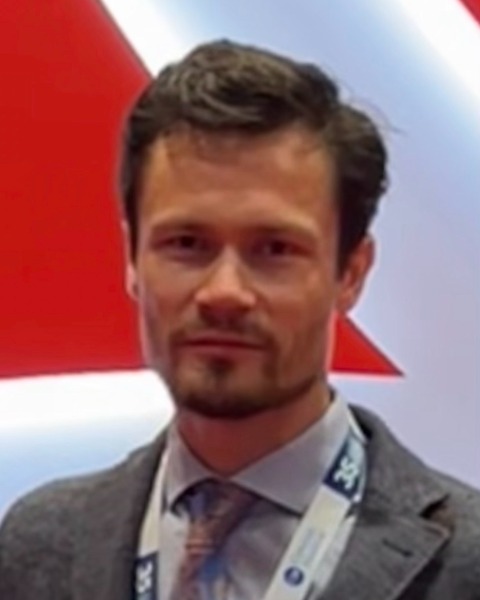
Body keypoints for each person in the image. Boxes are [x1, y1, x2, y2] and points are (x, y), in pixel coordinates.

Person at [0, 39, 479, 600]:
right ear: (133, 259)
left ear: (351, 272)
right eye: (186, 243)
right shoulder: (39, 546)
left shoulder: (465, 563)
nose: (223, 292)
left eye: (274, 249)